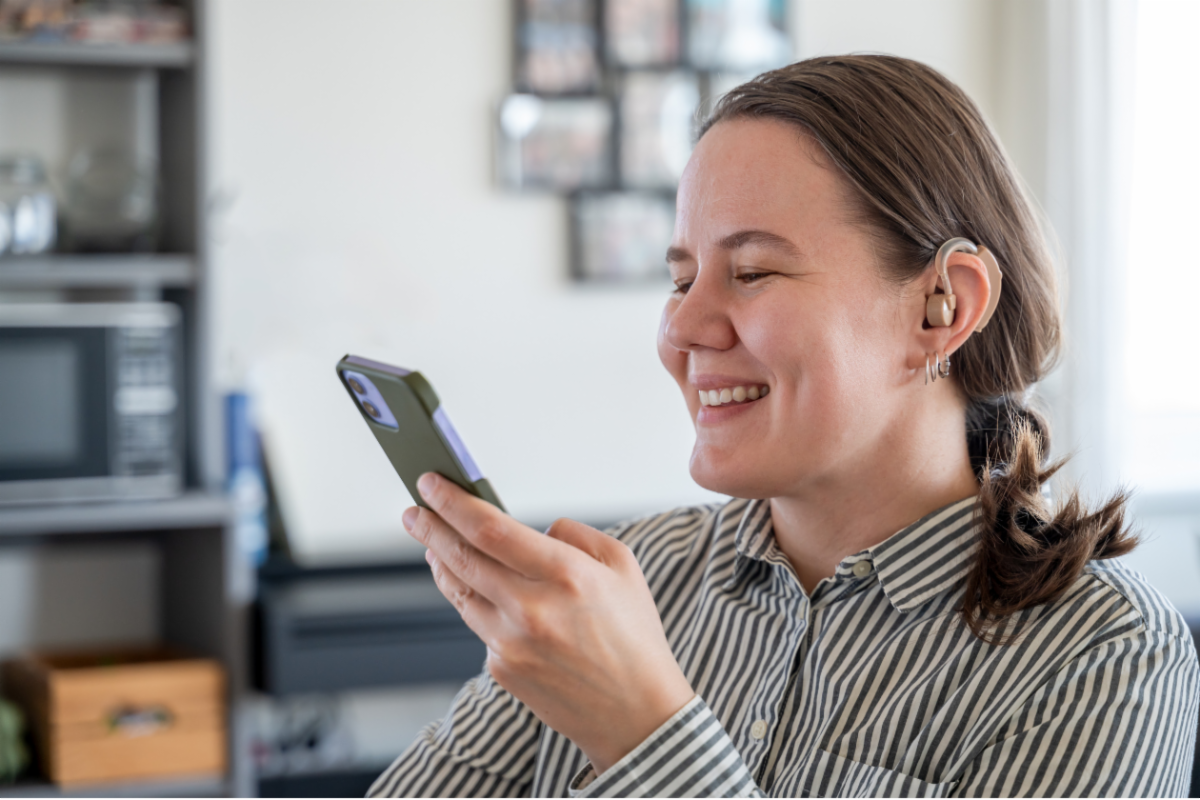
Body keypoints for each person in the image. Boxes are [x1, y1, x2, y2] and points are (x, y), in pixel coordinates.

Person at [368, 55, 1199, 798]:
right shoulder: (638, 578)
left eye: (753, 271)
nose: (683, 330)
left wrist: (644, 734)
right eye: (680, 279)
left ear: (944, 306)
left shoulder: (1108, 656)